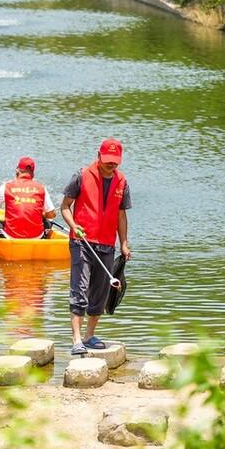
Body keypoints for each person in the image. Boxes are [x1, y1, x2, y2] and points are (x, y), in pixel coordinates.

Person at [60, 139, 131, 356]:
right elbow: (65, 207)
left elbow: (121, 214)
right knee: (80, 288)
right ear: (98, 156)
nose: (111, 165)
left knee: (100, 291)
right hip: (81, 241)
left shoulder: (122, 182)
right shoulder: (81, 176)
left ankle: (90, 336)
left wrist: (124, 243)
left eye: (115, 162)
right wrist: (74, 226)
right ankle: (76, 339)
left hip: (107, 244)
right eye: (108, 161)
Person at [0, 156, 57, 239]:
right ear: (33, 173)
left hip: (12, 236)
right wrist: (42, 214)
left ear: (17, 170)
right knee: (48, 222)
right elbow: (52, 214)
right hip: (37, 237)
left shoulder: (7, 186)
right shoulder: (41, 188)